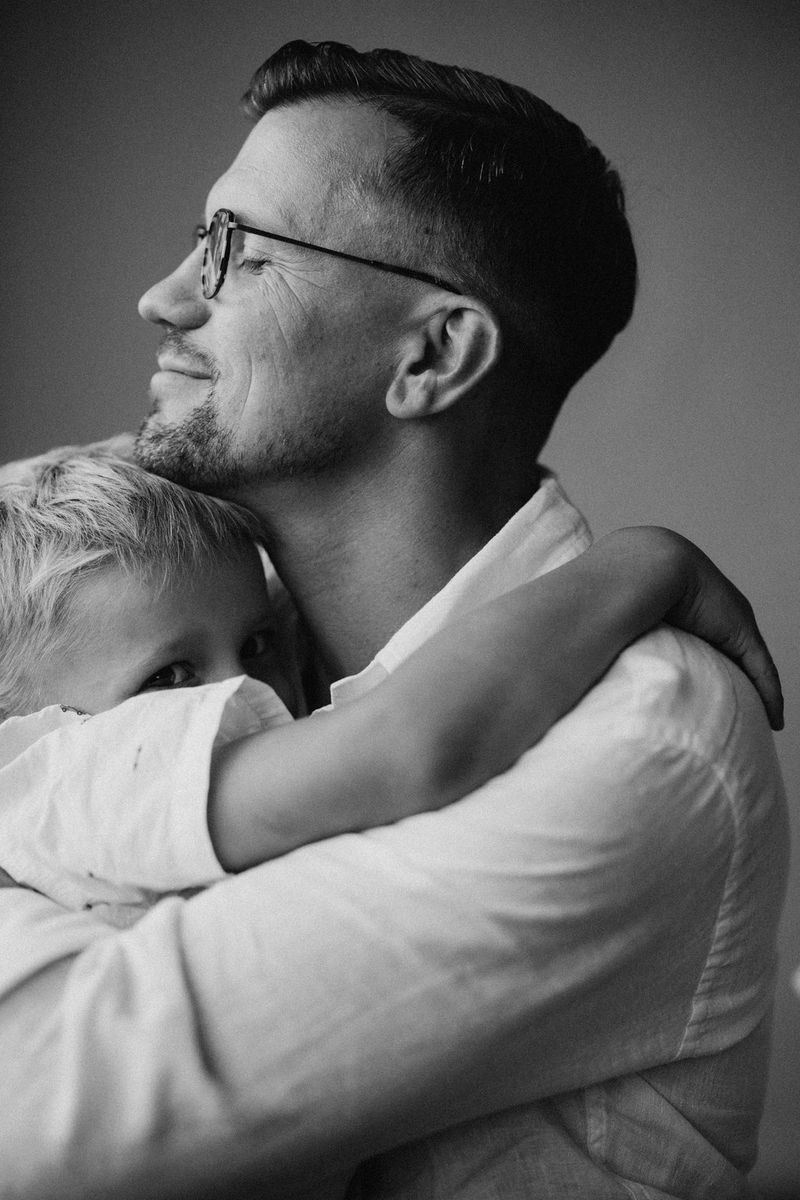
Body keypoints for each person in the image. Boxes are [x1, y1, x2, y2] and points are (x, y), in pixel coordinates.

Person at [0, 39, 787, 1200]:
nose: (163, 296)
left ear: (429, 355)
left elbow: (41, 1114)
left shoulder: (645, 742)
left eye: (237, 251)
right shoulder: (165, 614)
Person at [0, 450, 725, 924]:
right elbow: (408, 748)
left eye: (257, 644)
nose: (250, 691)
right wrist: (642, 562)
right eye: (171, 675)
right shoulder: (64, 782)